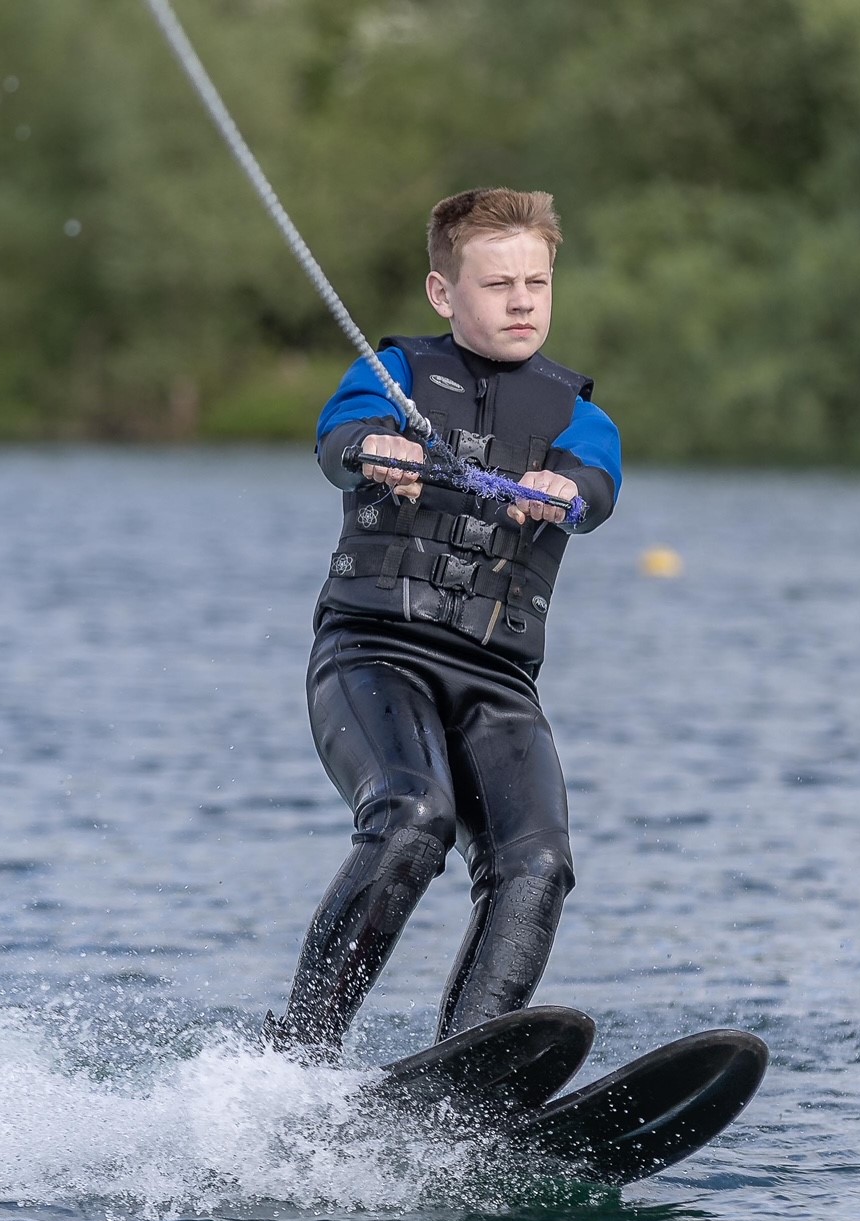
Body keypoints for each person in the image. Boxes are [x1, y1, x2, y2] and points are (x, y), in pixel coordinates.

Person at [264, 187, 621, 1061]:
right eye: (498, 284)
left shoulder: (580, 415)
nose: (523, 301)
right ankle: (299, 1054)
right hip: (372, 656)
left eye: (537, 281)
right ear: (442, 293)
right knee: (414, 816)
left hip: (497, 684)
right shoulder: (392, 379)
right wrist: (374, 449)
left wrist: (568, 491)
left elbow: (597, 484)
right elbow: (339, 435)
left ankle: (465, 1073)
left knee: (537, 865)